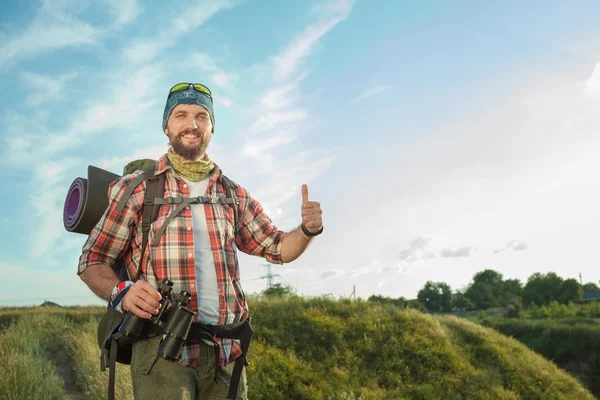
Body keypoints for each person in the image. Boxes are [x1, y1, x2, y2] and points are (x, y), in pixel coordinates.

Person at [77, 82, 324, 399]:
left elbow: (277, 247)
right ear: (166, 126)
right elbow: (92, 260)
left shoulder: (233, 193)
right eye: (180, 115)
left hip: (225, 355)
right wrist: (120, 293)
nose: (191, 124)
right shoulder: (138, 188)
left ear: (211, 127)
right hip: (161, 353)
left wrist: (306, 230)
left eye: (201, 116)